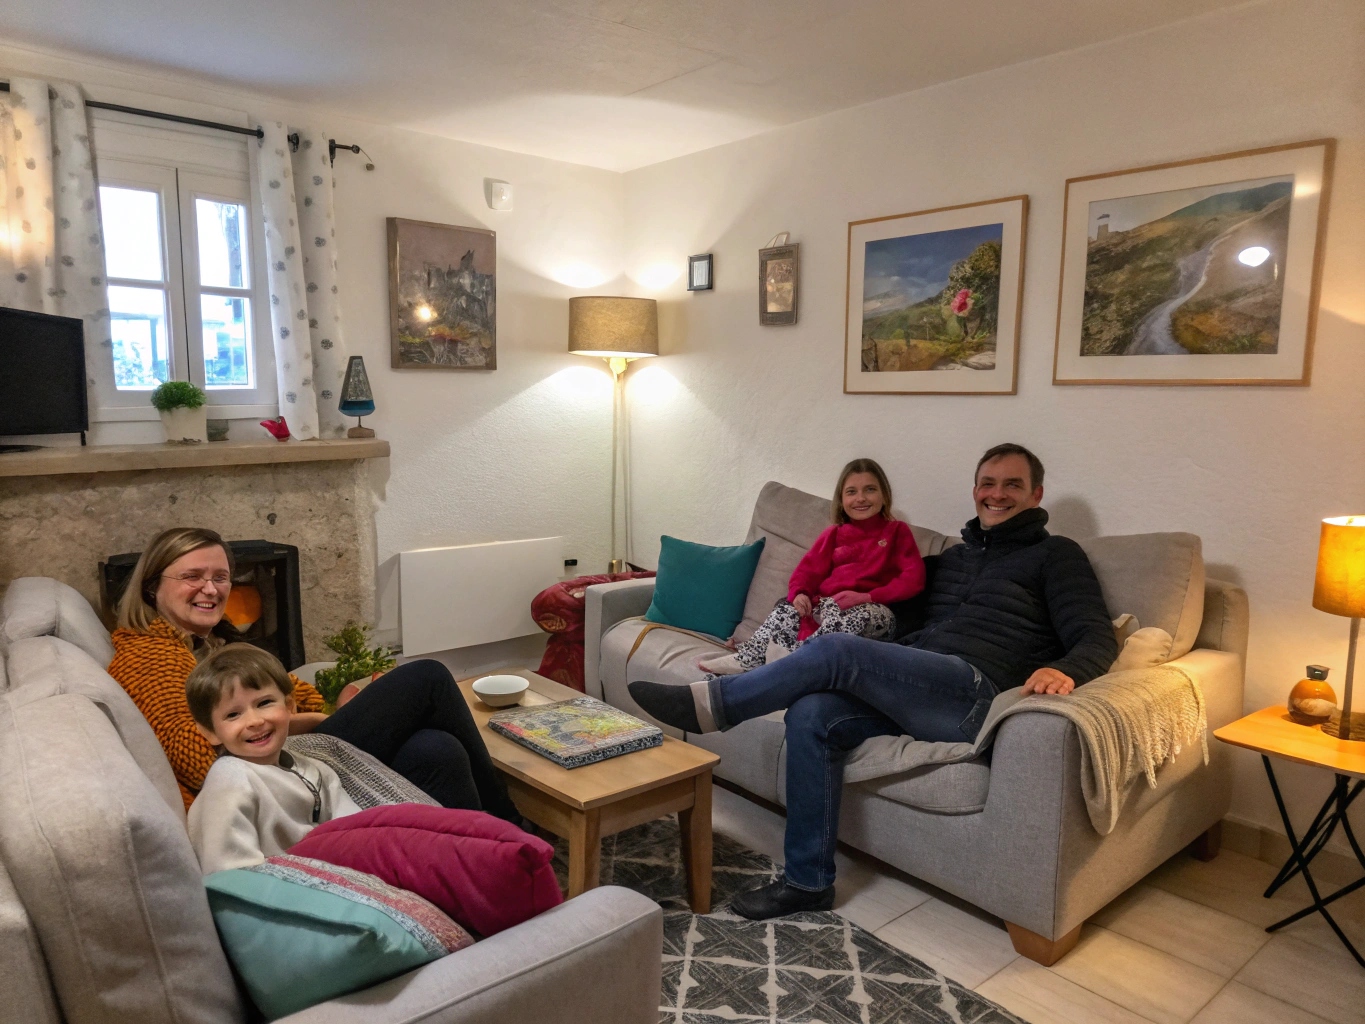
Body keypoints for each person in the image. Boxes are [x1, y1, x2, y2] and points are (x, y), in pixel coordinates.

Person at [629, 443, 1117, 920]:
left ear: (1036, 494)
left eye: (1013, 484)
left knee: (837, 650)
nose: (997, 494)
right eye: (988, 483)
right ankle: (807, 883)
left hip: (971, 692)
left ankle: (718, 705)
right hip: (914, 686)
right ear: (975, 491)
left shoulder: (1057, 555)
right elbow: (895, 605)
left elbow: (1096, 636)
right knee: (811, 713)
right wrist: (827, 597)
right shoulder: (954, 559)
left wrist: (1065, 670)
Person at [108, 527, 520, 824]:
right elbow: (202, 761)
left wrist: (341, 704)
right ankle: (510, 824)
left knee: (436, 749)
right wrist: (316, 720)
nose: (211, 589)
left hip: (286, 753)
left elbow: (293, 692)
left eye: (220, 577)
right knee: (426, 677)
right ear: (151, 587)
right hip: (270, 775)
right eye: (191, 577)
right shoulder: (149, 655)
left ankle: (481, 853)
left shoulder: (210, 642)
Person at [699, 459, 925, 676]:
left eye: (870, 489)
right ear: (841, 500)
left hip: (874, 611)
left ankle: (797, 663)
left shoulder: (897, 531)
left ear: (884, 495)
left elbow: (913, 579)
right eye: (851, 492)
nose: (861, 498)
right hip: (829, 606)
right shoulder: (834, 534)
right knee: (786, 609)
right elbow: (806, 571)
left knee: (856, 618)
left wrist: (866, 596)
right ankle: (748, 658)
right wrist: (800, 594)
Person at [185, 643, 362, 874]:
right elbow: (228, 875)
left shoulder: (315, 768)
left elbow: (359, 829)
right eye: (233, 714)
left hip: (343, 872)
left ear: (289, 706)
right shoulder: (229, 779)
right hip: (282, 887)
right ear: (210, 731)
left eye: (264, 703)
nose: (255, 721)